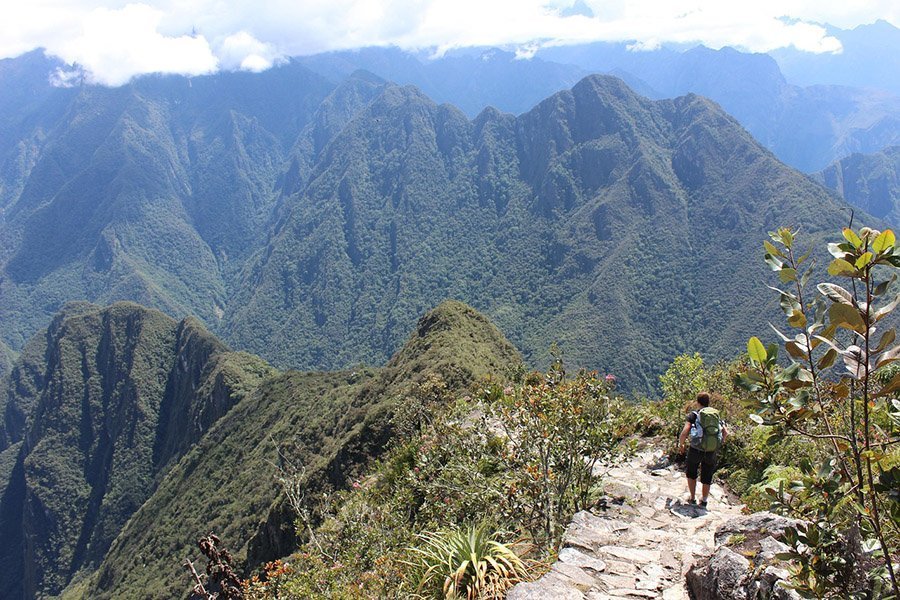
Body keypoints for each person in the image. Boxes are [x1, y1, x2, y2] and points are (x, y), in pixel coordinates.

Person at [677, 392, 727, 508]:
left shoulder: (694, 415)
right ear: (708, 402)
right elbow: (725, 432)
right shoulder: (715, 415)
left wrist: (681, 444)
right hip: (711, 451)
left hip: (696, 449)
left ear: (697, 402)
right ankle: (704, 500)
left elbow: (685, 431)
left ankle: (693, 497)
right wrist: (718, 444)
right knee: (707, 475)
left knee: (691, 472)